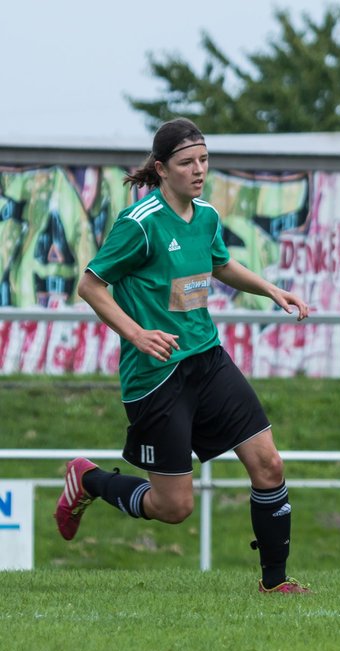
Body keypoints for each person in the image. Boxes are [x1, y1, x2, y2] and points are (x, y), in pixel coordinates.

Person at [53, 118, 312, 594]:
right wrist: (137, 334)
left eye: (204, 160)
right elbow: (90, 285)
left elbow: (220, 263)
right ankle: (87, 480)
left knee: (269, 464)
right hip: (155, 376)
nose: (199, 170)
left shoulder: (207, 216)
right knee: (174, 508)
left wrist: (271, 289)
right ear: (161, 168)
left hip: (207, 360)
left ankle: (275, 584)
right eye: (187, 162)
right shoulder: (140, 224)